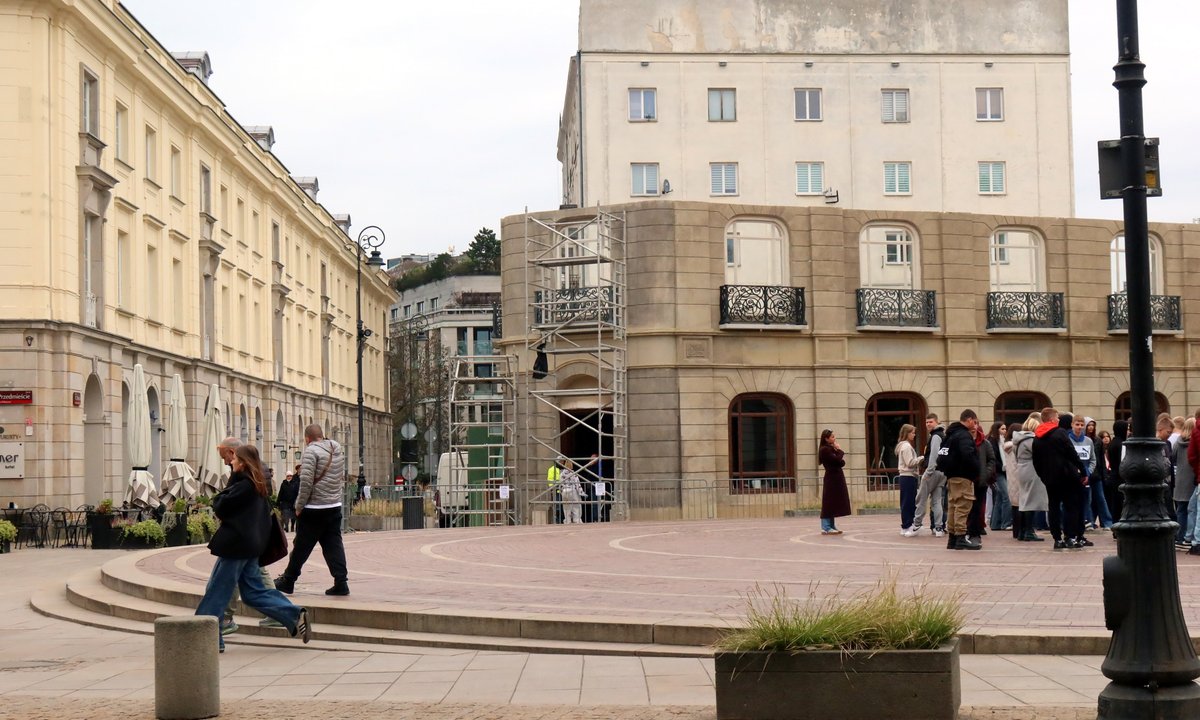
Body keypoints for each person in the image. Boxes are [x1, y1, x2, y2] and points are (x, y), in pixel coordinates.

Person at [195, 445, 311, 653]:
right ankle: (294, 615)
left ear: (244, 462)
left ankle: (204, 635)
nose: (231, 462)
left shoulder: (245, 485)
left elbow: (220, 504)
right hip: (249, 545)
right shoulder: (255, 484)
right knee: (253, 593)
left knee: (218, 590)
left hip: (237, 545)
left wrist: (233, 479)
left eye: (235, 460)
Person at [274, 424, 350, 597]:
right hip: (333, 505)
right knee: (334, 545)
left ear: (307, 438)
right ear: (322, 435)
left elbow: (306, 482)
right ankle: (341, 582)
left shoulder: (310, 451)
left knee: (301, 546)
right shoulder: (336, 448)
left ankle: (288, 580)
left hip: (314, 508)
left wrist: (299, 506)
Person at [1032, 409, 1088, 550]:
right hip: (1067, 476)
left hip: (1050, 479)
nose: (1058, 420)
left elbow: (1036, 461)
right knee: (1071, 507)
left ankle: (1057, 538)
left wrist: (1043, 476)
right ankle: (1069, 536)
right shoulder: (1060, 433)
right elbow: (1071, 452)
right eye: (1057, 417)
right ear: (1051, 419)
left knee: (1054, 507)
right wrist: (1082, 469)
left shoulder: (1037, 437)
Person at [940, 410, 981, 550]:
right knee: (963, 506)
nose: (975, 425)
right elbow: (968, 455)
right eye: (974, 422)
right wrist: (976, 470)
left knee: (953, 505)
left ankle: (952, 538)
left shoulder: (950, 435)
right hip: (963, 475)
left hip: (951, 476)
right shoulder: (964, 435)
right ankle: (961, 537)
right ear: (969, 420)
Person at [911, 413, 947, 537]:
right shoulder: (944, 435)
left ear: (937, 422)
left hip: (933, 471)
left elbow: (934, 455)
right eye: (926, 422)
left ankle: (916, 525)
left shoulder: (936, 436)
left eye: (930, 422)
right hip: (942, 472)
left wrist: (928, 471)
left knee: (921, 498)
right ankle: (939, 528)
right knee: (937, 501)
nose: (928, 424)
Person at [1012, 415, 1047, 542]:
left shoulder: (1019, 439)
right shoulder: (1030, 439)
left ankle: (1022, 531)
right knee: (1030, 502)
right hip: (1031, 469)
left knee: (1024, 501)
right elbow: (1040, 453)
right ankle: (1029, 531)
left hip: (1022, 468)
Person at [1067, 414, 1098, 547]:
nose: (1079, 427)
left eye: (1081, 425)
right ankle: (1070, 535)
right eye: (1077, 424)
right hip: (1071, 478)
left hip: (1085, 479)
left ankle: (1080, 535)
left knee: (1083, 507)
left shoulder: (1088, 441)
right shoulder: (1067, 440)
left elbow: (1092, 460)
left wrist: (1088, 473)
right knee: (1071, 508)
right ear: (1072, 425)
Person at [967, 423, 995, 544]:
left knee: (977, 507)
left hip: (980, 481)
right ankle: (965, 531)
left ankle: (975, 533)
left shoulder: (985, 443)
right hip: (966, 481)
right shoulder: (963, 442)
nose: (973, 432)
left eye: (974, 430)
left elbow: (991, 460)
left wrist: (985, 474)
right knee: (966, 508)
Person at [818, 429, 850, 535]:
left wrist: (838, 454)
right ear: (826, 439)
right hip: (831, 478)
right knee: (828, 501)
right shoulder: (824, 450)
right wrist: (839, 451)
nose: (834, 438)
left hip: (836, 478)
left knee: (833, 502)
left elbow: (840, 462)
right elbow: (837, 460)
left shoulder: (830, 449)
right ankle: (826, 526)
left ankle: (831, 525)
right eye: (832, 437)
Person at [896, 425, 923, 537]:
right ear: (907, 433)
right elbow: (910, 462)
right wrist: (922, 458)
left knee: (907, 501)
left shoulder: (903, 446)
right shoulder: (906, 446)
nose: (914, 434)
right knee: (908, 501)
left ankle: (906, 525)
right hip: (908, 476)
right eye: (912, 432)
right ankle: (908, 525)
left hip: (905, 476)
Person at [1173, 418, 1195, 548]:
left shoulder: (1178, 442)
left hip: (1180, 479)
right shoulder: (1194, 442)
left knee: (1181, 509)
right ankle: (1188, 536)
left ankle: (1180, 537)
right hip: (1192, 478)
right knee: (1192, 510)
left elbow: (1173, 457)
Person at [988, 422, 1012, 533]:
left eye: (1005, 428)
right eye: (1002, 429)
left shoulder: (1002, 441)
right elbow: (993, 458)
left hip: (1003, 472)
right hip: (997, 472)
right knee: (1006, 496)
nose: (1005, 431)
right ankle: (1005, 523)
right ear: (996, 429)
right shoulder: (992, 441)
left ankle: (995, 524)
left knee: (999, 498)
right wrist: (1002, 467)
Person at [1107, 420, 1129, 522]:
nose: (1128, 432)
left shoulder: (1112, 443)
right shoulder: (1121, 444)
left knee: (1115, 503)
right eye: (1127, 429)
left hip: (1113, 475)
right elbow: (1123, 462)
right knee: (1120, 503)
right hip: (1120, 477)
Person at [1003, 423, 1023, 540]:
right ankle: (1020, 531)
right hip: (1018, 475)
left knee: (1014, 505)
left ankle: (1016, 531)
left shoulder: (1007, 446)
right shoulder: (1016, 446)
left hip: (1011, 476)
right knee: (1020, 505)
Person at [559, 458, 584, 524]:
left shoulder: (561, 474)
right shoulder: (574, 474)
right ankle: (577, 519)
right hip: (573, 491)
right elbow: (577, 484)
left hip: (565, 491)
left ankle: (567, 520)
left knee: (566, 507)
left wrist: (562, 492)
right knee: (576, 506)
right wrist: (581, 492)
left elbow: (560, 484)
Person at [277, 468, 300, 532]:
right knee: (285, 515)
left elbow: (298, 493)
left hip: (293, 502)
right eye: (288, 476)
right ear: (286, 476)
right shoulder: (283, 483)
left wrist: (297, 501)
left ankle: (292, 526)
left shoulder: (296, 483)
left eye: (290, 476)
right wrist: (278, 502)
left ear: (292, 476)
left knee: (293, 516)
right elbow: (280, 493)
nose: (289, 477)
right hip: (285, 502)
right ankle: (286, 527)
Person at [547, 457, 564, 524]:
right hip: (557, 491)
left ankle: (562, 520)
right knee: (558, 508)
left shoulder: (564, 469)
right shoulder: (551, 469)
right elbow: (550, 481)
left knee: (564, 508)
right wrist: (556, 485)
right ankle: (558, 521)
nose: (563, 463)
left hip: (564, 491)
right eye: (561, 461)